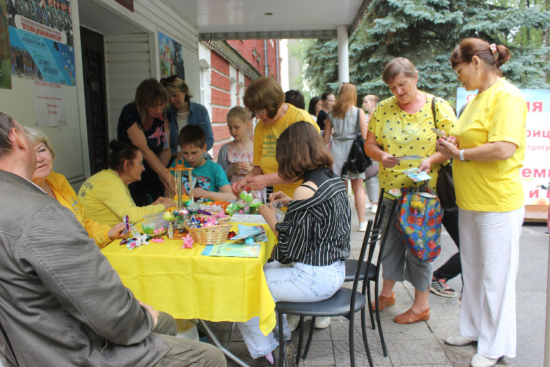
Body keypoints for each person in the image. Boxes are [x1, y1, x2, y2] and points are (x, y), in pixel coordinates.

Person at [0, 112, 227, 367]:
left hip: (33, 339)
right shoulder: (42, 215)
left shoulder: (43, 191)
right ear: (16, 138)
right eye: (35, 146)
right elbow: (108, 312)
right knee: (210, 357)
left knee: (164, 320)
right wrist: (142, 317)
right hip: (73, 349)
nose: (40, 155)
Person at [437, 39, 527, 367]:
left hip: (498, 202)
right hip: (472, 199)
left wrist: (459, 153)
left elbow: (504, 147)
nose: (458, 77)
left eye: (460, 70)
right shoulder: (477, 98)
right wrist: (451, 144)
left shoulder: (507, 97)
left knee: (495, 277)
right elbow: (469, 136)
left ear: (476, 62)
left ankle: (494, 345)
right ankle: (473, 329)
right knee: (474, 271)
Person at [237, 121, 351, 366]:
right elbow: (319, 218)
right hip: (334, 270)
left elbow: (289, 250)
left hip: (313, 279)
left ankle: (271, 352)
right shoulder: (331, 179)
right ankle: (281, 339)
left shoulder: (305, 190)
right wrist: (291, 202)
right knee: (260, 273)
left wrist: (270, 218)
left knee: (243, 288)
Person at [364, 57, 456, 324]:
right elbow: (370, 144)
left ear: (415, 78)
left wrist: (432, 160)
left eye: (402, 85)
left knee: (419, 245)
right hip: (391, 190)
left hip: (423, 195)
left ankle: (421, 305)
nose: (398, 92)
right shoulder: (383, 108)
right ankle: (387, 294)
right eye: (392, 88)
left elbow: (454, 143)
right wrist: (381, 155)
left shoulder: (437, 107)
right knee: (389, 243)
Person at [25, 127, 126, 248]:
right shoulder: (19, 196)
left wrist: (108, 233)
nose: (39, 159)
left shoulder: (58, 181)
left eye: (41, 150)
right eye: (29, 154)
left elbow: (83, 224)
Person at [231, 77, 319, 202]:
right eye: (254, 112)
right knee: (276, 219)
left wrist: (266, 180)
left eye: (260, 111)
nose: (257, 117)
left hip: (305, 200)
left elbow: (304, 169)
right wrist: (245, 181)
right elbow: (259, 166)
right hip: (279, 200)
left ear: (272, 104)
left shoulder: (300, 120)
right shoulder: (261, 126)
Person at [79, 140, 174, 226]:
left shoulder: (108, 178)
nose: (143, 168)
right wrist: (162, 206)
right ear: (127, 164)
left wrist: (155, 206)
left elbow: (129, 212)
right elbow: (132, 217)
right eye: (140, 163)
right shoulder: (110, 183)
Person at [117, 78, 171, 206]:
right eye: (153, 106)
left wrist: (161, 173)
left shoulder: (163, 115)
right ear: (143, 104)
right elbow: (144, 150)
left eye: (161, 104)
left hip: (155, 172)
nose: (158, 109)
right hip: (132, 173)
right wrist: (169, 177)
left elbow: (166, 149)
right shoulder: (130, 112)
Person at [323, 83, 368, 231]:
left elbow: (326, 138)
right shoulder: (358, 112)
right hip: (354, 153)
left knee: (340, 188)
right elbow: (365, 136)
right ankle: (361, 222)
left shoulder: (332, 113)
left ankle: (341, 222)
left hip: (337, 152)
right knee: (359, 188)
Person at [172, 125, 235, 202]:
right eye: (185, 153)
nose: (189, 158)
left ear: (204, 147)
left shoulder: (215, 169)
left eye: (194, 153)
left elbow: (231, 196)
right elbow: (168, 193)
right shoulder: (177, 165)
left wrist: (206, 194)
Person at [160, 75, 214, 156]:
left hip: (198, 161)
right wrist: (174, 154)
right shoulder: (165, 114)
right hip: (174, 162)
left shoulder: (200, 111)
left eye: (175, 95)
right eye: (168, 97)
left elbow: (209, 140)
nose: (171, 100)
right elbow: (162, 144)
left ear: (184, 91)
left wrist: (193, 153)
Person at [217, 106, 255, 185]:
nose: (232, 131)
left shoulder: (257, 148)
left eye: (236, 127)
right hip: (231, 195)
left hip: (254, 195)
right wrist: (231, 170)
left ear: (248, 125)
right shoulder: (225, 149)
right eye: (230, 127)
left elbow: (264, 177)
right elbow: (217, 176)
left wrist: (251, 170)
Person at [362, 94, 381, 214]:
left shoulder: (378, 115)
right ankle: (371, 199)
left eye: (366, 102)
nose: (364, 104)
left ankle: (375, 202)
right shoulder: (364, 116)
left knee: (373, 175)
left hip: (374, 147)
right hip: (364, 148)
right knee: (366, 175)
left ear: (373, 103)